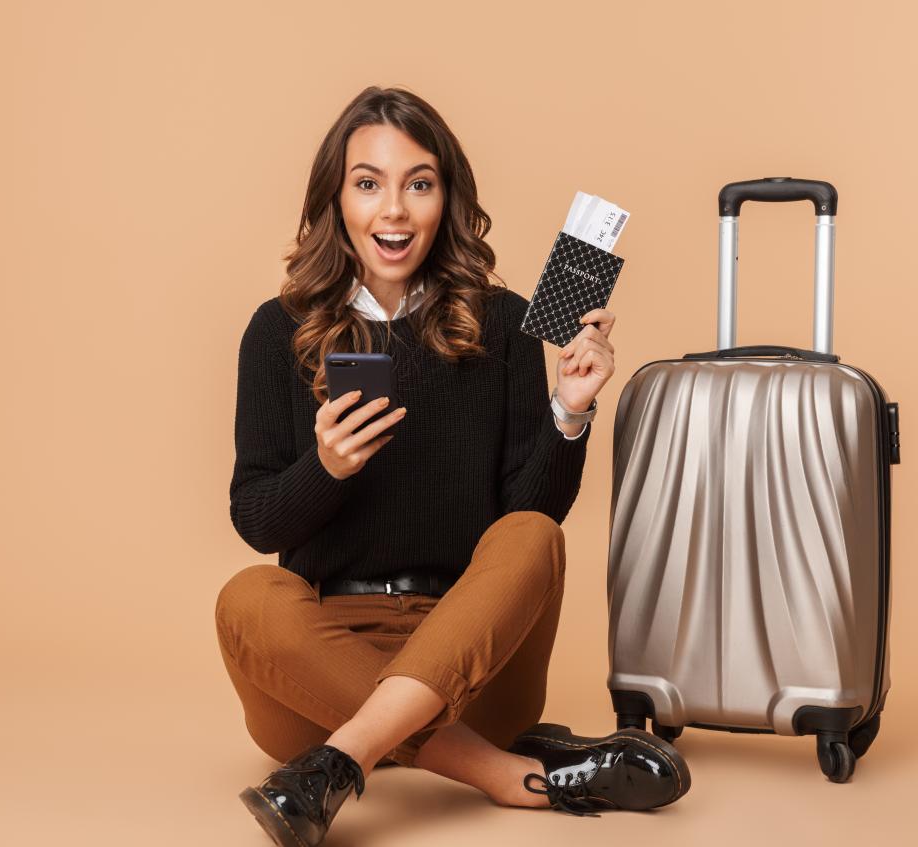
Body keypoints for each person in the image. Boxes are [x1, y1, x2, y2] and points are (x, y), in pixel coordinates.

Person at [215, 86, 690, 847]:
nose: (394, 211)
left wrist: (570, 409)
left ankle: (338, 763)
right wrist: (326, 467)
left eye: (419, 183)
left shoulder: (499, 320)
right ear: (336, 200)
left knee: (533, 535)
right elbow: (255, 517)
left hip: (472, 660)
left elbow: (527, 509)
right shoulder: (278, 332)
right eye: (368, 183)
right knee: (249, 596)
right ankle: (507, 774)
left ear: (448, 197)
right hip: (317, 674)